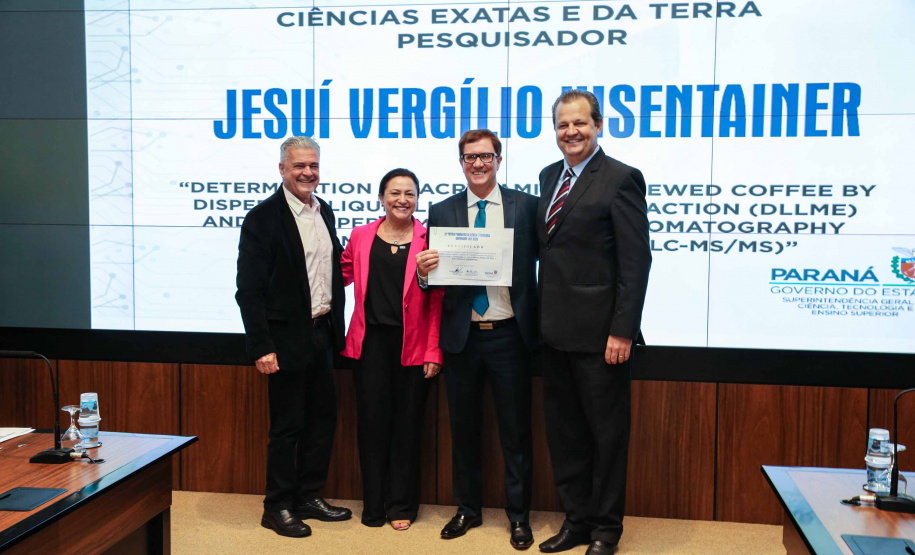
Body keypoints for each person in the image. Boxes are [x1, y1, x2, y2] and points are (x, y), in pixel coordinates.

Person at [536, 91, 651, 555]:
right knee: (566, 435)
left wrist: (622, 329)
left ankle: (606, 531)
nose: (571, 132)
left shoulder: (621, 178)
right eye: (563, 125)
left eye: (580, 123)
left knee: (605, 438)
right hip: (554, 333)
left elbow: (635, 262)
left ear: (598, 125)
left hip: (603, 337)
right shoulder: (549, 177)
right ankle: (577, 520)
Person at [416, 129, 539, 550]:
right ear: (462, 163)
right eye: (470, 158)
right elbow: (432, 282)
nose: (479, 164)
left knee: (515, 432)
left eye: (486, 156)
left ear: (499, 160)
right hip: (463, 337)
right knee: (463, 430)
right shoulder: (443, 210)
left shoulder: (527, 207)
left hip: (510, 335)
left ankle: (519, 517)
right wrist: (423, 271)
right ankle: (467, 509)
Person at [235, 136, 352, 538]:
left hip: (322, 335)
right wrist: (262, 345)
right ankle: (277, 506)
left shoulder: (326, 212)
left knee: (322, 420)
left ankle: (308, 495)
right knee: (287, 427)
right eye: (299, 165)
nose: (308, 172)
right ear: (282, 169)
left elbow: (329, 274)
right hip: (283, 343)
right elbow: (248, 290)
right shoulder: (263, 218)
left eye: (313, 165)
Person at [340, 168, 444, 530]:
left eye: (410, 194)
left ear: (417, 199)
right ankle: (372, 506)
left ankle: (401, 506)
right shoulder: (361, 235)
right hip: (370, 346)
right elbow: (339, 275)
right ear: (381, 198)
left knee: (407, 428)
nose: (403, 199)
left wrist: (434, 351)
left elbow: (437, 302)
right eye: (395, 192)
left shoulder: (429, 239)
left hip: (412, 347)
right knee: (371, 427)